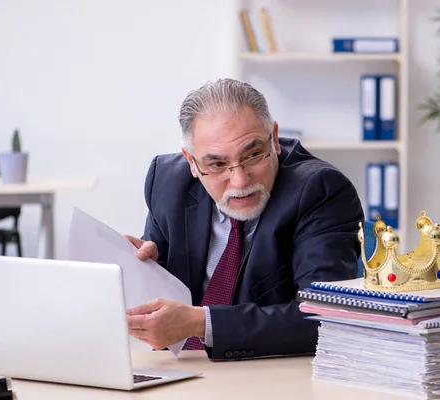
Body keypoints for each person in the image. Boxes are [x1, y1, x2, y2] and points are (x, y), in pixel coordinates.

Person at [125, 78, 364, 360]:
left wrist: (199, 323)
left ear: (274, 138)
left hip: (271, 377)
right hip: (180, 370)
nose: (239, 181)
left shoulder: (320, 190)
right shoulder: (166, 183)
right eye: (216, 164)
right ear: (191, 162)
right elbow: (164, 302)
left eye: (252, 155)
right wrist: (140, 272)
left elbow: (324, 316)